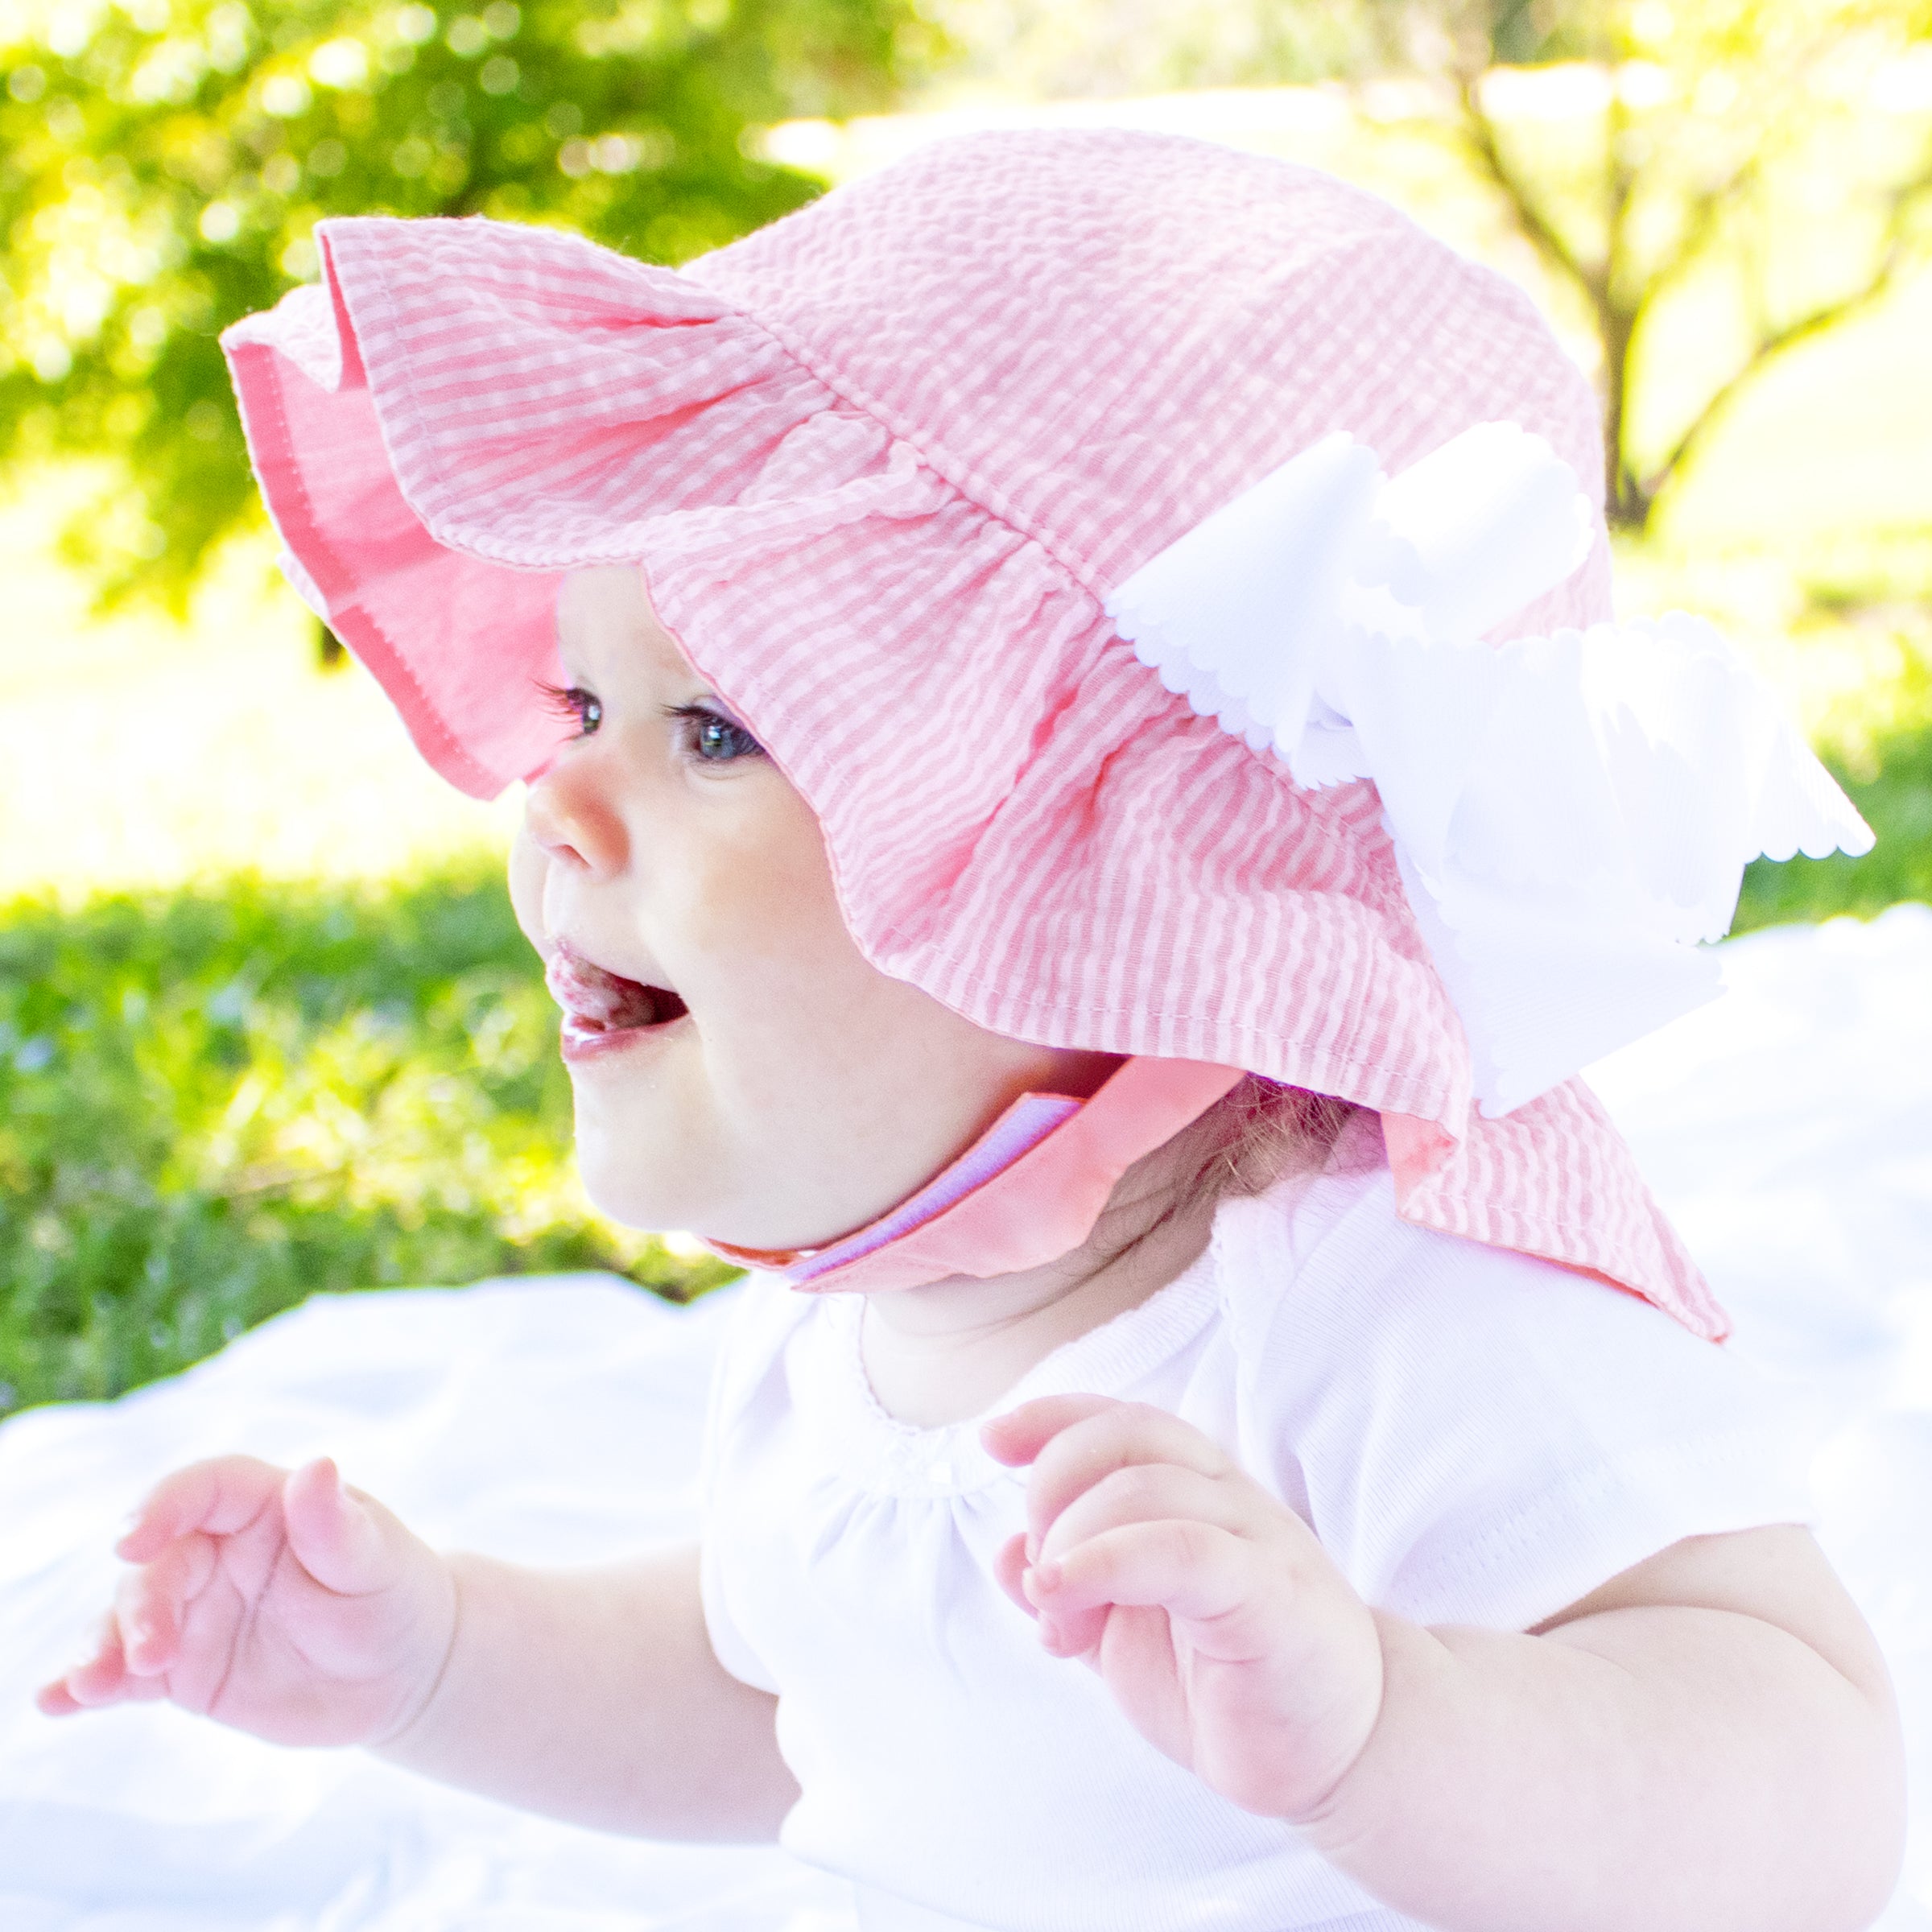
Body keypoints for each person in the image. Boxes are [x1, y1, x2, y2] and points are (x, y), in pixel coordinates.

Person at [38, 130, 1906, 1932]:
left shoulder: (1390, 1301)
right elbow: (777, 1695)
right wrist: (434, 1654)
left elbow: (1807, 1786)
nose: (557, 802)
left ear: (1114, 892)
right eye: (577, 696)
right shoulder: (836, 1342)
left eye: (716, 734)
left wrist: (1388, 1726)